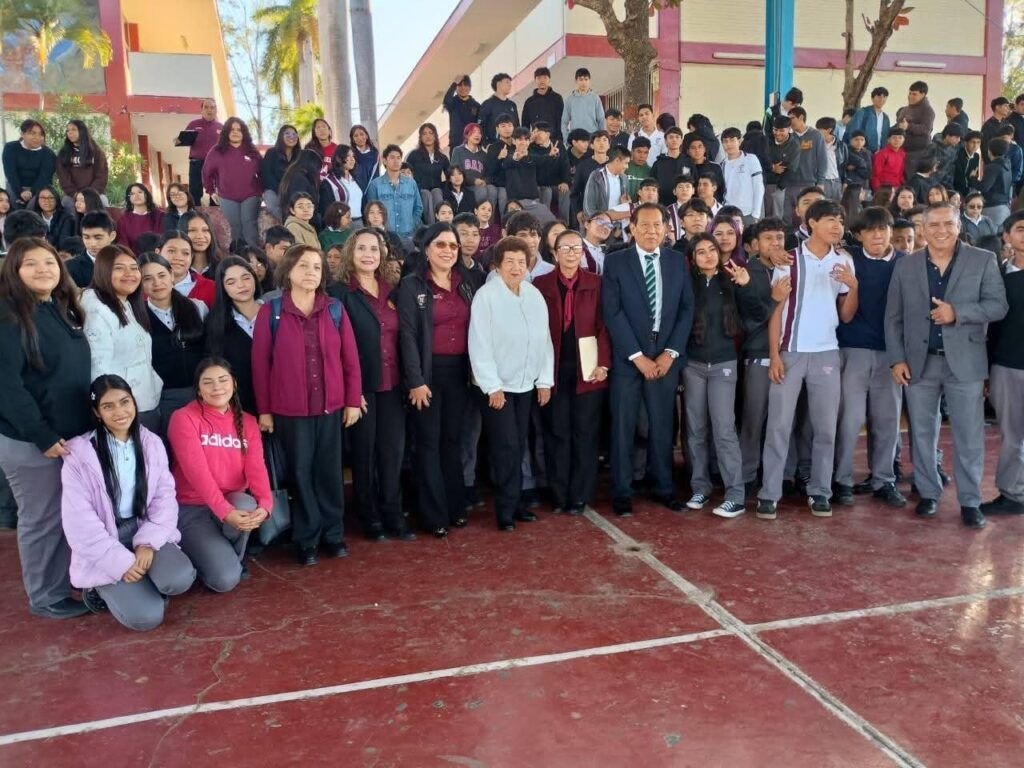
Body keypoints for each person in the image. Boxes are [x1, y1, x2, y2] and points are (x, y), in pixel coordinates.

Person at [885, 203, 1008, 528]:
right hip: (919, 363)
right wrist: (897, 359)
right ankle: (928, 492)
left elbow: (998, 306)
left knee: (969, 435)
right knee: (922, 432)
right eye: (934, 225)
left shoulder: (983, 260)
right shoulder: (906, 264)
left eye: (948, 224)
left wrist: (958, 313)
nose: (941, 230)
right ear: (923, 229)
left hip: (965, 363)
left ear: (958, 226)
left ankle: (970, 501)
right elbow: (893, 317)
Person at [252, 245, 362, 565]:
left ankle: (333, 534)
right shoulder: (271, 312)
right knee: (300, 473)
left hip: (330, 407)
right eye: (303, 266)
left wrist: (352, 401)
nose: (311, 272)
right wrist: (265, 410)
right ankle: (307, 538)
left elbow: (350, 360)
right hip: (290, 410)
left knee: (329, 472)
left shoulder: (334, 309)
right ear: (288, 271)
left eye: (316, 266)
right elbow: (260, 365)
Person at [0, 239, 92, 619]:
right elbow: (7, 387)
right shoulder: (8, 316)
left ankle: (66, 582)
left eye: (49, 262)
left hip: (67, 437)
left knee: (66, 514)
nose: (43, 270)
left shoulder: (57, 307)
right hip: (34, 442)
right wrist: (41, 435)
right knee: (42, 519)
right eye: (31, 264)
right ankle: (46, 596)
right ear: (14, 271)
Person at [61, 375, 196, 630]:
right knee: (146, 618)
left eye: (125, 402)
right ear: (97, 413)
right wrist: (120, 563)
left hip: (142, 527)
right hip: (105, 539)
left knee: (178, 579)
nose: (120, 412)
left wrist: (148, 542)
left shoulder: (151, 443)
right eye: (108, 406)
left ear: (134, 402)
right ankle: (98, 589)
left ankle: (141, 581)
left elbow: (164, 498)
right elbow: (80, 524)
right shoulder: (78, 455)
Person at [757, 200, 859, 519]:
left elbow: (846, 315)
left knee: (825, 428)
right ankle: (769, 493)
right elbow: (776, 311)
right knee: (779, 425)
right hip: (790, 351)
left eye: (840, 221)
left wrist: (854, 287)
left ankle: (820, 491)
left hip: (827, 351)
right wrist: (775, 355)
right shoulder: (788, 260)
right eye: (830, 219)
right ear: (812, 223)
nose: (837, 226)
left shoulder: (844, 261)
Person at [602, 203, 694, 516]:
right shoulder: (616, 262)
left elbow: (686, 309)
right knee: (624, 427)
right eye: (645, 225)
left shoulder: (677, 261)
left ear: (667, 229)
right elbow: (612, 312)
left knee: (662, 426)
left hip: (665, 357)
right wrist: (637, 356)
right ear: (632, 228)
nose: (652, 231)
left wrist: (671, 353)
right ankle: (622, 492)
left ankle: (664, 488)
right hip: (628, 359)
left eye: (658, 225)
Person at [397, 223, 482, 537]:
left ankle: (455, 507)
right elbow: (407, 335)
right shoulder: (412, 285)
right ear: (427, 249)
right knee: (428, 443)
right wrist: (416, 381)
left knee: (452, 441)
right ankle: (434, 515)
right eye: (441, 244)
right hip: (427, 375)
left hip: (459, 373)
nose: (448, 251)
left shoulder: (467, 282)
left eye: (453, 245)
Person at [329, 230, 413, 541]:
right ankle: (370, 517)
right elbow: (334, 346)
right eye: (362, 248)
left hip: (393, 384)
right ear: (351, 253)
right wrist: (350, 390)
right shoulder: (339, 293)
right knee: (364, 454)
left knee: (392, 452)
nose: (368, 254)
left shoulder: (391, 290)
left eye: (374, 249)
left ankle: (393, 512)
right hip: (360, 388)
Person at [469, 236, 554, 530]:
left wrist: (544, 380)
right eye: (510, 262)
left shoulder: (533, 295)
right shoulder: (486, 296)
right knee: (505, 446)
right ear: (497, 265)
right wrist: (491, 385)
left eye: (521, 262)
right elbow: (479, 343)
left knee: (518, 444)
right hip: (497, 388)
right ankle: (505, 510)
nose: (516, 267)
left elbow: (544, 339)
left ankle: (517, 503)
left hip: (525, 384)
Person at [168, 358, 272, 590]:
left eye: (223, 380)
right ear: (198, 389)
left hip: (231, 503)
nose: (217, 387)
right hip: (192, 508)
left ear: (234, 383)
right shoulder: (183, 418)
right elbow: (198, 474)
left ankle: (223, 555)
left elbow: (257, 468)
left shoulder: (248, 421)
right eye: (208, 382)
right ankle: (213, 556)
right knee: (224, 581)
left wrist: (265, 505)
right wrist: (225, 512)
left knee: (247, 504)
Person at [832, 207, 906, 507]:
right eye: (870, 230)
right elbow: (844, 314)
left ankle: (884, 480)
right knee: (850, 420)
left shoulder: (906, 263)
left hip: (892, 354)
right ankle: (842, 480)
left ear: (890, 231)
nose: (877, 235)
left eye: (883, 229)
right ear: (859, 235)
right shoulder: (847, 260)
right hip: (854, 350)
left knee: (887, 420)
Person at [533, 229, 609, 515]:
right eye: (565, 248)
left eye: (576, 248)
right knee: (557, 432)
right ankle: (558, 493)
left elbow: (605, 326)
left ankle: (580, 495)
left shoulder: (596, 283)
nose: (571, 253)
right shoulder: (541, 284)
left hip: (587, 370)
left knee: (585, 433)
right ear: (554, 253)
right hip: (552, 369)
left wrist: (604, 363)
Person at [681, 234, 750, 517]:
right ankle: (700, 487)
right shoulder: (688, 283)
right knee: (695, 429)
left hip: (724, 364)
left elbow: (756, 312)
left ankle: (735, 495)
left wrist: (745, 286)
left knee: (724, 429)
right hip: (693, 365)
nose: (708, 255)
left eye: (712, 249)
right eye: (701, 251)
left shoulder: (732, 279)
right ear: (693, 258)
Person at [81, 244, 163, 432]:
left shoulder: (125, 303)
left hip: (142, 401)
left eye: (134, 268)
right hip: (123, 412)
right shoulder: (97, 310)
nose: (129, 274)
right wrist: (114, 410)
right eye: (119, 268)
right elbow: (98, 368)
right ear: (103, 271)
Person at [982, 212, 1024, 515]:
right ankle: (1013, 493)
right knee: (1012, 435)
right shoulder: (996, 277)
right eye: (1021, 229)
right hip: (1007, 366)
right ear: (1006, 237)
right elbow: (990, 329)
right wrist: (987, 370)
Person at [139, 253, 207, 434]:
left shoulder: (197, 307)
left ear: (171, 275)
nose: (157, 283)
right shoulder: (137, 316)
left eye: (162, 275)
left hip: (201, 393)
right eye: (148, 278)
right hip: (163, 397)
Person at [205, 256, 262, 414]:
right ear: (223, 287)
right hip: (239, 404)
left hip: (280, 398)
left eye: (246, 278)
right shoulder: (215, 322)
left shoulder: (273, 313)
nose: (241, 285)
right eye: (231, 282)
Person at [202, 117, 264, 247]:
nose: (235, 132)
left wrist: (262, 191)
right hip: (227, 197)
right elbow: (207, 172)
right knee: (235, 227)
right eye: (232, 130)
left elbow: (263, 172)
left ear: (244, 133)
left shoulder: (252, 150)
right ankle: (239, 255)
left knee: (249, 223)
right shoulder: (216, 151)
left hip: (251, 195)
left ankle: (254, 255)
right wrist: (211, 191)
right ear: (226, 132)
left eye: (239, 130)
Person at [365, 145, 423, 247]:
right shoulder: (375, 185)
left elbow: (418, 207)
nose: (396, 161)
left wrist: (412, 223)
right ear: (385, 161)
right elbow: (371, 211)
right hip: (385, 236)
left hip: (408, 235)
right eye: (392, 157)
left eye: (398, 158)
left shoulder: (411, 183)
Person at [2, 119, 57, 209]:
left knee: (33, 206)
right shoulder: (10, 148)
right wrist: (20, 192)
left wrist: (31, 192)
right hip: (16, 185)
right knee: (11, 203)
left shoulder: (48, 154)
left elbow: (44, 177)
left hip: (39, 187)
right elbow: (11, 173)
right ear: (22, 134)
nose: (37, 137)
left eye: (41, 134)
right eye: (33, 133)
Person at [56, 120, 108, 212]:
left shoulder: (97, 152)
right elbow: (64, 179)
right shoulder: (63, 154)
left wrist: (89, 195)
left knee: (102, 201)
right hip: (72, 195)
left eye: (73, 129)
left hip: (94, 194)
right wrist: (76, 194)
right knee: (66, 202)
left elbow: (101, 177)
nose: (70, 133)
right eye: (68, 130)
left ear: (82, 131)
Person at [178, 99, 222, 205]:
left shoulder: (222, 127)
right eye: (206, 107)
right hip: (196, 163)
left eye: (212, 107)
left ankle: (215, 214)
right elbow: (182, 140)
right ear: (201, 110)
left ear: (216, 110)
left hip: (215, 165)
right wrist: (178, 140)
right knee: (194, 192)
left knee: (216, 192)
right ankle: (195, 213)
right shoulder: (193, 124)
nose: (209, 110)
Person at [159, 230, 217, 308]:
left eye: (185, 253)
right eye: (171, 251)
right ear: (158, 252)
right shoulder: (147, 287)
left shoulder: (211, 288)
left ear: (191, 257)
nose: (178, 258)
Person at [406, 123, 450, 225]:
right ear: (420, 138)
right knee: (426, 194)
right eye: (424, 134)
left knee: (437, 192)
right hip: (420, 190)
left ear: (435, 136)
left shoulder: (442, 157)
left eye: (431, 133)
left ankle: (441, 225)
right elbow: (406, 173)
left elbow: (450, 175)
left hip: (437, 190)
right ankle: (431, 226)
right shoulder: (413, 155)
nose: (428, 136)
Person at [721, 127, 764, 224]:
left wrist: (756, 214)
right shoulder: (723, 164)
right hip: (728, 213)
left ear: (740, 141)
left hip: (748, 213)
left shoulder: (751, 159)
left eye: (732, 140)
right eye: (725, 141)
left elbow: (758, 187)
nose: (728, 144)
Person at [895, 81, 935, 183]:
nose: (910, 96)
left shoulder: (928, 111)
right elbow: (899, 124)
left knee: (914, 182)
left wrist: (908, 126)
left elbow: (926, 129)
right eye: (910, 93)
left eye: (914, 94)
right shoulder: (905, 109)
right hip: (903, 151)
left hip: (919, 153)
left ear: (923, 94)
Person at [764, 116, 802, 221]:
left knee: (777, 216)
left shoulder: (794, 144)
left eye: (782, 130)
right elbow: (760, 161)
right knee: (764, 216)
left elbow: (791, 168)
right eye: (775, 130)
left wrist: (780, 188)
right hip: (763, 183)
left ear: (789, 129)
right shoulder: (765, 140)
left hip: (780, 185)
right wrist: (772, 167)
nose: (777, 133)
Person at [261, 125, 300, 221]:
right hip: (273, 189)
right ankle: (288, 224)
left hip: (294, 190)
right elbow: (267, 175)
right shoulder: (271, 152)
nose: (291, 136)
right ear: (281, 136)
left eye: (294, 134)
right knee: (273, 205)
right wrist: (282, 190)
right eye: (287, 133)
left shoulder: (300, 156)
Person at [319, 145, 363, 227]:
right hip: (342, 224)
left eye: (353, 156)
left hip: (359, 222)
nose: (352, 159)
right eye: (348, 156)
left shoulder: (356, 179)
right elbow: (326, 209)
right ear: (339, 158)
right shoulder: (329, 182)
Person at [116, 184, 163, 255]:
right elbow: (123, 244)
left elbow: (164, 238)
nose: (136, 196)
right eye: (132, 194)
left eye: (140, 192)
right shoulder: (123, 220)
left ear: (146, 194)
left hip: (158, 257)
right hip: (134, 258)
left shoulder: (159, 216)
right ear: (129, 198)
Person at [522, 67, 565, 144]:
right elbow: (525, 124)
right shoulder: (529, 102)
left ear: (549, 79)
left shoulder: (557, 98)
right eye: (539, 78)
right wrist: (527, 141)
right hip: (535, 142)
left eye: (545, 78)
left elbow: (561, 120)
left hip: (554, 141)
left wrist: (560, 140)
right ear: (535, 80)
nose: (542, 81)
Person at [977, 139, 1013, 228]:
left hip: (992, 208)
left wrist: (973, 178)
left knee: (989, 234)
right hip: (1005, 206)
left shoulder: (992, 167)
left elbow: (984, 187)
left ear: (989, 151)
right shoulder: (1007, 165)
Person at [560, 67, 603, 139]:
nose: (584, 82)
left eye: (586, 79)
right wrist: (566, 139)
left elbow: (601, 119)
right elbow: (564, 122)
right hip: (576, 136)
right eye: (581, 79)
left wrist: (601, 137)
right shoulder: (569, 100)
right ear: (576, 81)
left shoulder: (595, 98)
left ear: (589, 81)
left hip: (592, 136)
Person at [845, 87, 891, 153]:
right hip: (864, 151)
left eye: (884, 97)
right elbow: (853, 131)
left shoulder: (886, 118)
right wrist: (859, 148)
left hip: (881, 152)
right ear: (872, 98)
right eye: (879, 96)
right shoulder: (863, 112)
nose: (881, 99)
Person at [478, 72, 520, 142]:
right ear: (498, 84)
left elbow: (517, 125)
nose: (510, 85)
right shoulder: (487, 104)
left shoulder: (512, 105)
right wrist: (486, 144)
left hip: (512, 145)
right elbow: (480, 126)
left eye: (510, 83)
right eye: (507, 82)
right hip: (493, 145)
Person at [442, 75, 481, 150]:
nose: (463, 87)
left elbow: (480, 125)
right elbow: (446, 100)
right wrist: (454, 83)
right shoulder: (453, 102)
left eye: (465, 85)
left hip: (471, 144)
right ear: (456, 88)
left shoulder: (476, 105)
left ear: (470, 88)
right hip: (455, 144)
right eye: (459, 85)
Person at [350, 124, 381, 192]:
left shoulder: (375, 153)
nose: (359, 138)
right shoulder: (350, 154)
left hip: (372, 190)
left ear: (366, 136)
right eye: (356, 136)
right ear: (352, 139)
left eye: (362, 134)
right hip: (355, 190)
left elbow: (376, 174)